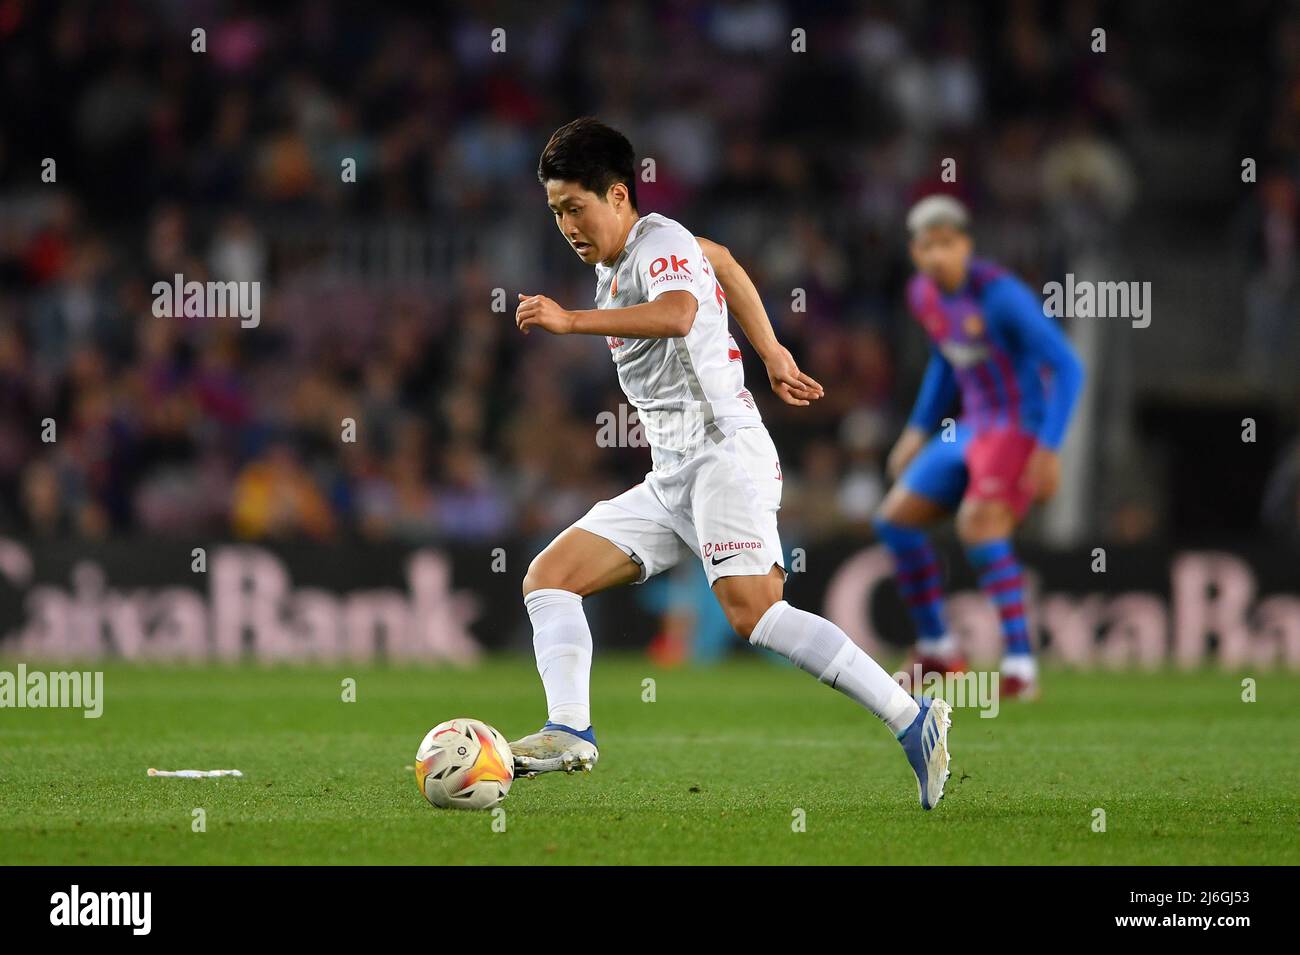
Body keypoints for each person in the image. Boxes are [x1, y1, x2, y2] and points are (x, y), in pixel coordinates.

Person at [508, 118, 952, 809]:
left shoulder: (658, 244)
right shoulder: (641, 254)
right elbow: (722, 261)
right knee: (549, 577)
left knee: (756, 614)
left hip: (723, 454)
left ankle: (911, 716)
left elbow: (681, 312)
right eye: (556, 210)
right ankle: (569, 727)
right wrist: (772, 351)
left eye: (575, 206)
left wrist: (570, 322)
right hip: (673, 474)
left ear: (618, 195)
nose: (566, 224)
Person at [874, 195, 1085, 699]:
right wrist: (916, 431)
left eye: (949, 243)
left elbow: (1068, 364)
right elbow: (945, 361)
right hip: (969, 426)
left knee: (977, 524)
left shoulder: (1001, 296)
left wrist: (1050, 448)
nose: (940, 254)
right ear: (916, 252)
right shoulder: (923, 295)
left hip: (1016, 425)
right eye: (929, 245)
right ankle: (940, 649)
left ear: (966, 244)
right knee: (893, 521)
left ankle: (1020, 667)